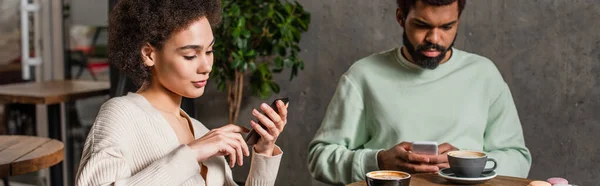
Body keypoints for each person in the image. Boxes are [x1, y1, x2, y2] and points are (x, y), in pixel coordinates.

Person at [307, 0, 532, 184]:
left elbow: (519, 159)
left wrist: (467, 165)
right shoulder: (363, 75)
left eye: (447, 27)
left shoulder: (484, 74)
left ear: (458, 21)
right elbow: (319, 158)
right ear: (400, 18)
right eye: (422, 25)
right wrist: (379, 162)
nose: (434, 39)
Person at [75, 0, 288, 185]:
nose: (206, 66)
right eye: (190, 55)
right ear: (149, 54)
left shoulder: (201, 131)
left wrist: (264, 151)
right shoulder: (120, 115)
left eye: (209, 51)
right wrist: (192, 153)